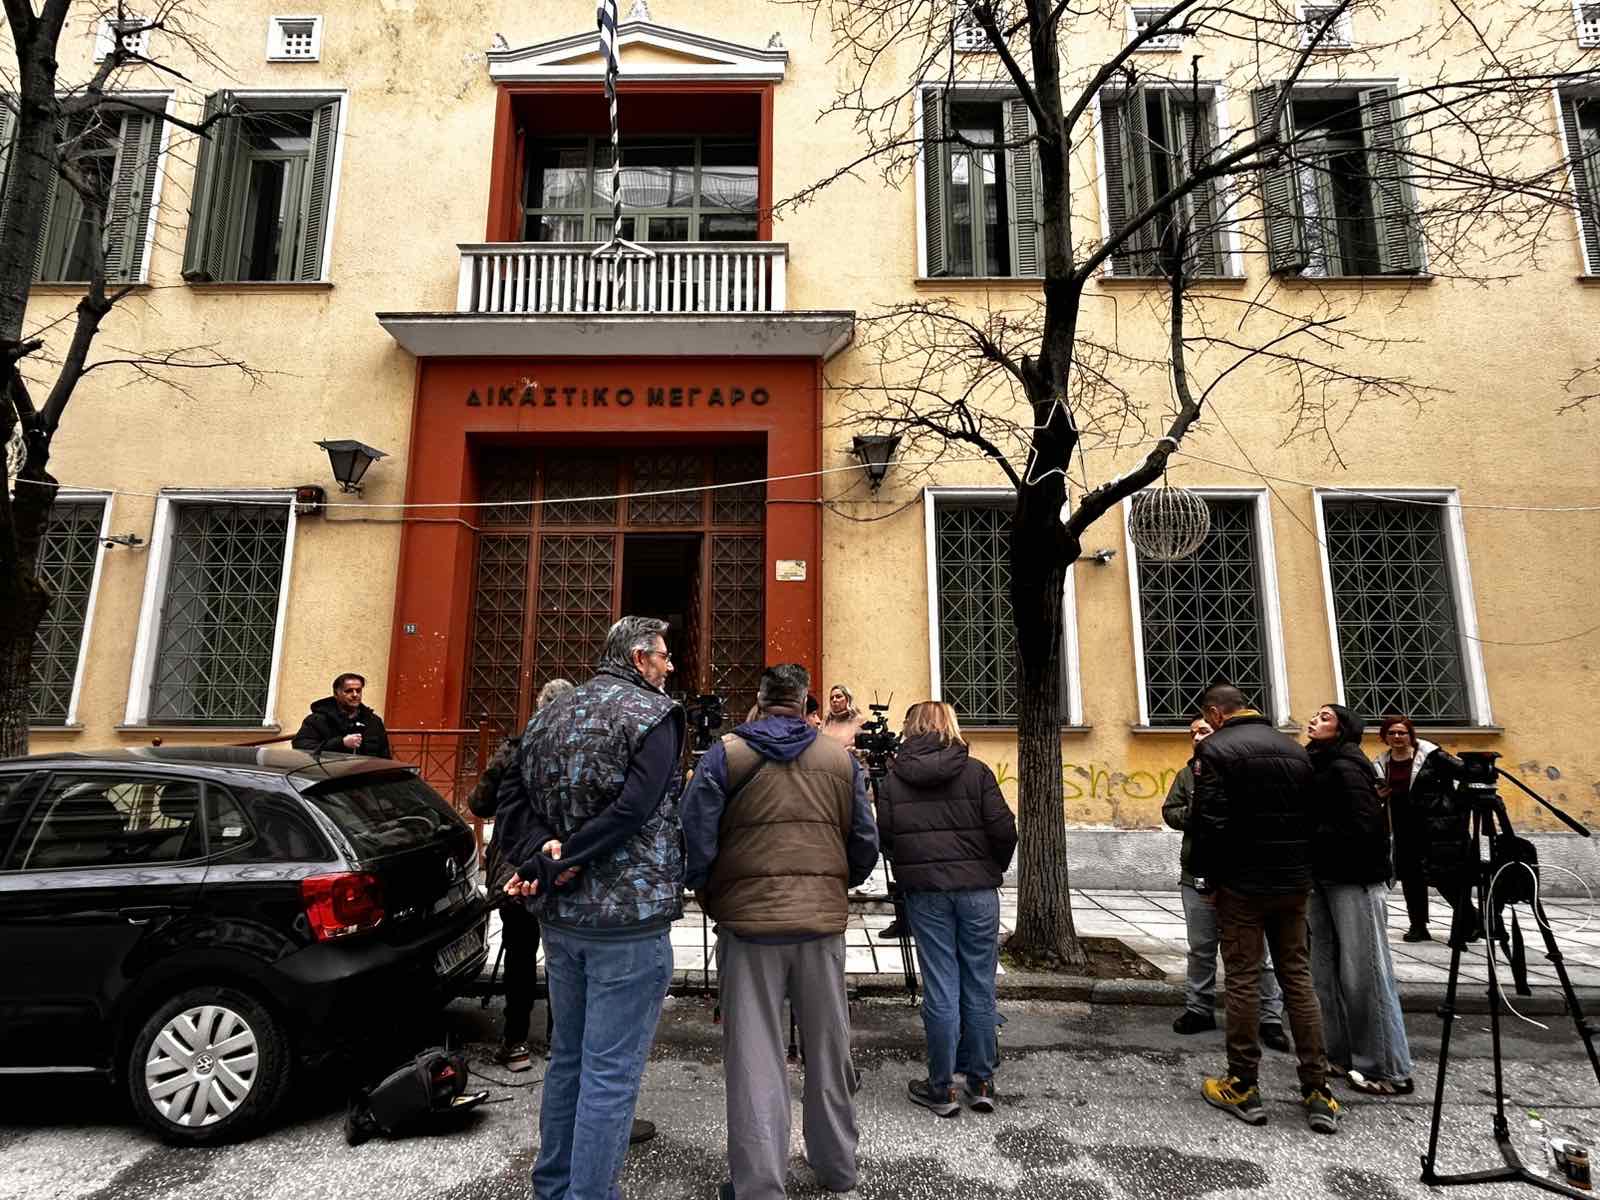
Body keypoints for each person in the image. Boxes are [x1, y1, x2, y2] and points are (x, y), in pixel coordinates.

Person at [498, 617, 685, 1200]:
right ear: (639, 657)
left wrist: (547, 856)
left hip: (562, 918)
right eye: (664, 656)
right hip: (629, 919)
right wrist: (568, 855)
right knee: (610, 1073)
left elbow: (511, 799)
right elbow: (636, 809)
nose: (670, 666)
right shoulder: (655, 714)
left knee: (568, 1061)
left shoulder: (550, 712)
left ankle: (552, 1187)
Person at [681, 663, 878, 1200]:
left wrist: (710, 891)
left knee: (754, 1057)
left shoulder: (725, 755)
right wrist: (833, 884)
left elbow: (695, 836)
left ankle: (760, 1184)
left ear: (761, 699)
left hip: (748, 925)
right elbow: (864, 841)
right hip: (820, 926)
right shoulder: (839, 759)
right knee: (829, 1049)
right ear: (806, 700)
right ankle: (837, 1168)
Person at [1189, 683, 1339, 1135]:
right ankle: (1317, 1088)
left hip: (1243, 883)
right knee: (1298, 978)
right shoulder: (1294, 750)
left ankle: (1243, 1083)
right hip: (1293, 882)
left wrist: (1207, 879)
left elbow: (1209, 821)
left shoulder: (1215, 750)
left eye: (1208, 718)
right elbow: (1315, 817)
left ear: (1216, 713)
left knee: (1243, 978)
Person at [878, 701, 1016, 1117]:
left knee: (940, 984)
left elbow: (887, 836)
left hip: (926, 892)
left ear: (911, 729)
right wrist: (990, 867)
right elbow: (1004, 829)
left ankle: (941, 1087)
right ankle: (981, 1080)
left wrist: (911, 868)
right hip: (977, 891)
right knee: (979, 984)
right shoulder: (976, 772)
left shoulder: (895, 779)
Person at [1162, 717, 1291, 1054]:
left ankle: (1270, 1017)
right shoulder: (1188, 774)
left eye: (1203, 731)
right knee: (1201, 947)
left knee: (1257, 952)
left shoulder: (1244, 771)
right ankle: (1199, 1009)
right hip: (1197, 874)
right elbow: (1171, 811)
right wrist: (1194, 813)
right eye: (1192, 733)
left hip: (1243, 876)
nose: (1196, 737)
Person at [465, 677, 574, 1072]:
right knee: (563, 957)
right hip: (560, 864)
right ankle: (561, 1041)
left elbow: (479, 803)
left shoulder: (515, 749)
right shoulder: (577, 753)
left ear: (539, 707)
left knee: (519, 954)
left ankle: (515, 1043)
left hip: (515, 864)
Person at [1306, 703, 1415, 1097]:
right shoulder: (1319, 761)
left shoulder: (1348, 765)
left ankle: (1386, 1067)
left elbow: (1364, 825)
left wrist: (1313, 834)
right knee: (1326, 971)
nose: (1314, 720)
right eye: (1316, 716)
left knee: (1364, 971)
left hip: (1354, 878)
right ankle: (1339, 1053)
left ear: (1342, 730)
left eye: (1325, 718)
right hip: (1324, 876)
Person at [1374, 713, 1448, 942]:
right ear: (1385, 736)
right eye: (1392, 733)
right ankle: (1418, 925)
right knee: (1410, 877)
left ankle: (1470, 919)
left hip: (1432, 826)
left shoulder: (1430, 757)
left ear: (1411, 735)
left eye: (1402, 733)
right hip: (1401, 826)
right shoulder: (1382, 763)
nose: (1397, 737)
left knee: (1444, 876)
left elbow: (1451, 785)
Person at [291, 673, 391, 757]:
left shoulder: (373, 721)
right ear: (336, 693)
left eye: (358, 690)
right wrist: (340, 743)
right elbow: (301, 746)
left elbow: (385, 756)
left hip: (367, 773)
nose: (355, 695)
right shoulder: (317, 720)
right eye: (348, 691)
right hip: (331, 772)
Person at [820, 683, 865, 748]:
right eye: (831, 698)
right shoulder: (826, 721)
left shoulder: (859, 721)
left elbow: (865, 748)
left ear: (847, 699)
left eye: (838, 697)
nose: (834, 700)